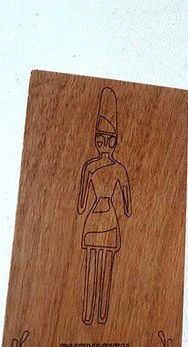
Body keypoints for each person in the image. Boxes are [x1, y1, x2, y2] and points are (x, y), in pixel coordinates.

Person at [77, 87, 131, 325]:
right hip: (99, 219)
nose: (105, 145)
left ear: (115, 142)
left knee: (105, 266)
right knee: (92, 265)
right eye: (101, 140)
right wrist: (127, 209)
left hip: (106, 220)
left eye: (109, 140)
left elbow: (126, 199)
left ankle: (100, 316)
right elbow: (81, 200)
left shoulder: (116, 169)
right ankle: (90, 315)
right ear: (96, 141)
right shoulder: (92, 167)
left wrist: (127, 209)